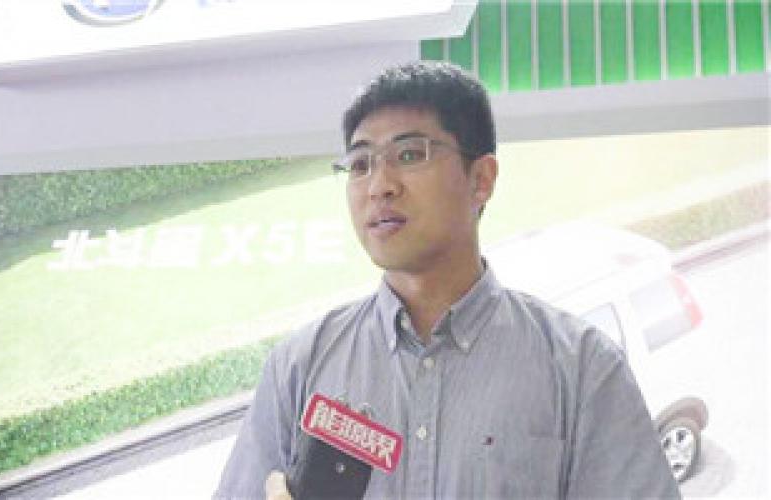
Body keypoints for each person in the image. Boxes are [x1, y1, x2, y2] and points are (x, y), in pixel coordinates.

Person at [215, 61, 681, 499]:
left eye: (409, 154)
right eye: (359, 165)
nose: (379, 185)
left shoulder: (581, 366)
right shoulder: (299, 366)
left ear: (481, 179)